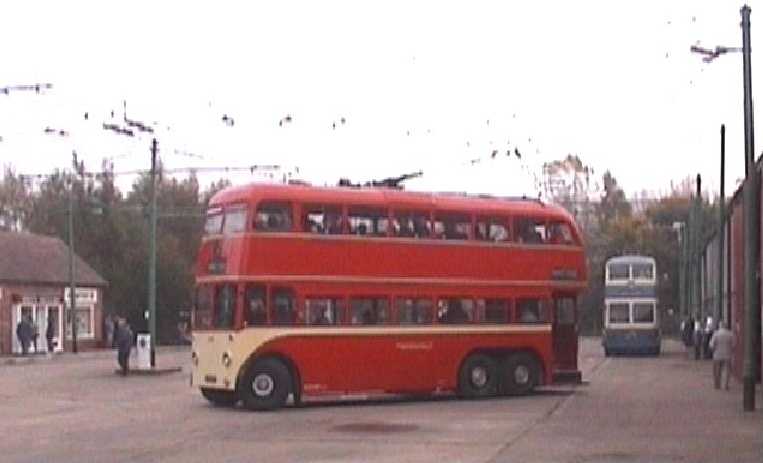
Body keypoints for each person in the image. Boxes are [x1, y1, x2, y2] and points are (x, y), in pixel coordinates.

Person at [709, 321, 735, 390]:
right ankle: (726, 384)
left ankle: (717, 384)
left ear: (720, 326)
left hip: (717, 354)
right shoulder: (730, 334)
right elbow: (733, 345)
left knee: (717, 370)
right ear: (726, 326)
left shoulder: (716, 334)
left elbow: (711, 345)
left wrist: (713, 350)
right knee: (728, 370)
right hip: (727, 354)